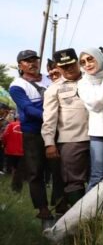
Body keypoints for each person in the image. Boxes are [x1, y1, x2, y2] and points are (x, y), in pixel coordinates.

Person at [9, 49, 65, 219]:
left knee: (59, 170)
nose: (32, 63)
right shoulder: (17, 85)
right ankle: (42, 208)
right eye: (27, 61)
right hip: (33, 133)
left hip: (56, 131)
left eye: (35, 59)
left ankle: (61, 204)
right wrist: (53, 117)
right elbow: (28, 109)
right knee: (35, 172)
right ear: (20, 65)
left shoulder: (51, 79)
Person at [42, 48, 90, 205]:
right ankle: (78, 221)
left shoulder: (92, 81)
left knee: (100, 178)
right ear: (58, 67)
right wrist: (49, 143)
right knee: (74, 182)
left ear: (77, 62)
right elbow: (49, 118)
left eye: (71, 64)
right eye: (63, 67)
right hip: (71, 141)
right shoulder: (53, 89)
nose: (68, 69)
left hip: (99, 137)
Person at [77, 48, 103, 191]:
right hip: (100, 135)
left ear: (100, 58)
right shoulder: (83, 83)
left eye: (90, 59)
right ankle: (87, 213)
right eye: (83, 62)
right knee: (98, 176)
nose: (87, 64)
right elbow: (97, 103)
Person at [3, 113, 24, 192]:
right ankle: (17, 187)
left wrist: (5, 145)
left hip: (10, 151)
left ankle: (14, 186)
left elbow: (4, 136)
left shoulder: (10, 125)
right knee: (19, 170)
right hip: (22, 151)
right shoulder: (27, 127)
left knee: (13, 169)